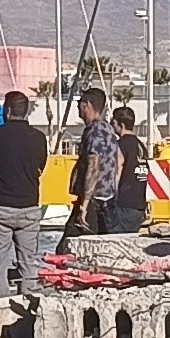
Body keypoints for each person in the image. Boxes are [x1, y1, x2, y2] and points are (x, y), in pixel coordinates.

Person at [0, 90, 50, 298]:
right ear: (26, 112)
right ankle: (28, 305)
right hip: (29, 207)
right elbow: (41, 167)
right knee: (28, 263)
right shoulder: (39, 138)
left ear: (8, 110)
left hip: (1, 207)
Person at [57, 88, 120, 249]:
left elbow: (94, 165)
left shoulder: (94, 131)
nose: (78, 108)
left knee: (67, 247)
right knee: (99, 247)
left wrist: (84, 206)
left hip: (92, 201)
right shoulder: (108, 130)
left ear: (87, 105)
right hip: (107, 200)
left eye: (80, 103)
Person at [104, 106, 150, 234]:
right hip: (139, 205)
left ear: (121, 125)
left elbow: (116, 172)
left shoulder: (121, 145)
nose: (112, 125)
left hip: (123, 204)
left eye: (113, 122)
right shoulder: (141, 146)